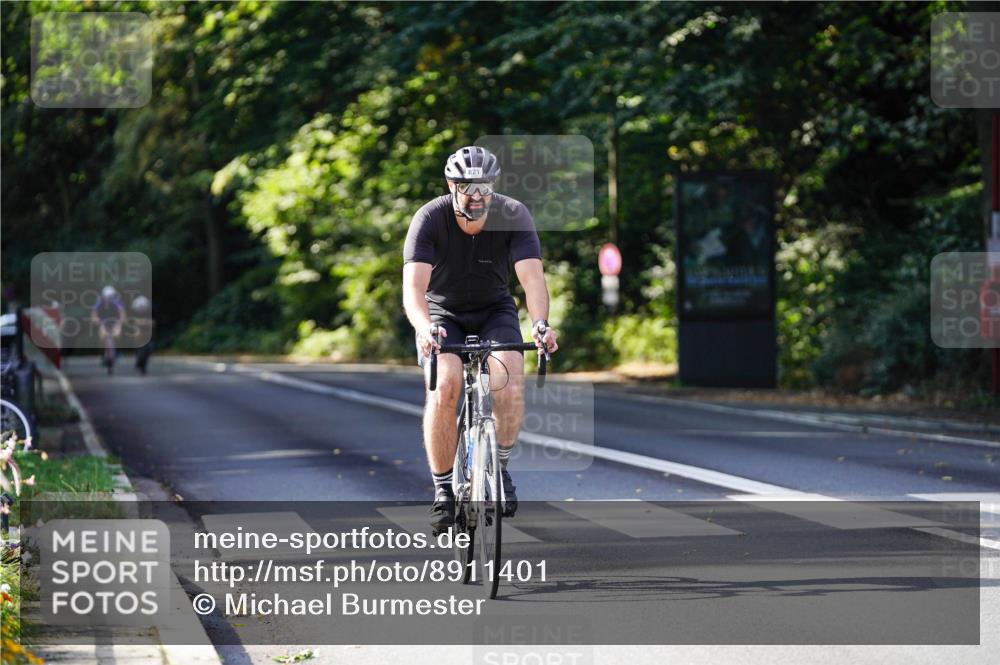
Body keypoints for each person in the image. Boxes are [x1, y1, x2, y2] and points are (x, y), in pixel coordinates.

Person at [403, 146, 559, 533]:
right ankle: (443, 490)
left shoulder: (513, 214)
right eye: (467, 187)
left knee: (509, 382)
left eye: (484, 187)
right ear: (451, 185)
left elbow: (532, 279)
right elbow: (414, 288)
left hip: (494, 310)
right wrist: (424, 327)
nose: (477, 196)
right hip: (443, 315)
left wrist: (540, 324)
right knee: (445, 386)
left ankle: (499, 468)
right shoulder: (429, 218)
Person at [90, 286, 126, 370]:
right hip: (103, 321)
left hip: (115, 321)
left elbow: (122, 313)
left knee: (117, 335)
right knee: (102, 336)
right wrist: (95, 319)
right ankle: (103, 354)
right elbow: (94, 312)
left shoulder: (117, 300)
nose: (109, 299)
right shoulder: (99, 301)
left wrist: (122, 320)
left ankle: (117, 352)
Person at [129, 295, 155, 374]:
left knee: (151, 343)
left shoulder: (151, 309)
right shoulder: (134, 309)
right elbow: (131, 321)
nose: (141, 311)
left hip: (147, 329)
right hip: (138, 329)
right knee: (136, 335)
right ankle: (137, 352)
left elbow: (154, 322)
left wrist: (148, 323)